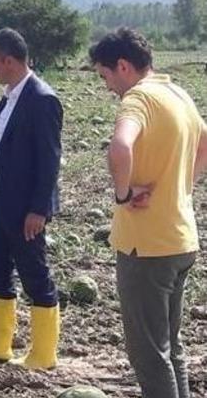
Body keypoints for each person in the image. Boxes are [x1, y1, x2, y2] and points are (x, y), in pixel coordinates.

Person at [91, 28, 207, 398]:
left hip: (147, 247)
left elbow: (120, 147)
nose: (106, 85)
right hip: (180, 239)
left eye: (105, 75)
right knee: (172, 348)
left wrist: (123, 195)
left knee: (148, 353)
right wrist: (183, 186)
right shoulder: (178, 94)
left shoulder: (137, 99)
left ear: (123, 66)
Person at [0, 28, 63, 370]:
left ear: (10, 60)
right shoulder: (8, 96)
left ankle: (43, 353)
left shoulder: (42, 99)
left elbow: (49, 161)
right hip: (0, 203)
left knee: (35, 275)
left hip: (25, 210)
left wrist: (39, 209)